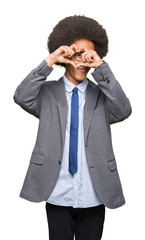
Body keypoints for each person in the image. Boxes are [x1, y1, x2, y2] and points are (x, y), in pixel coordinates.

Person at [13, 15, 132, 240]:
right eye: (79, 54)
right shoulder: (47, 94)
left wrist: (101, 68)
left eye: (90, 56)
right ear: (66, 55)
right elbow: (21, 96)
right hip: (57, 191)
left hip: (94, 193)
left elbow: (123, 110)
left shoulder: (102, 96)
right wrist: (50, 60)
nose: (83, 62)